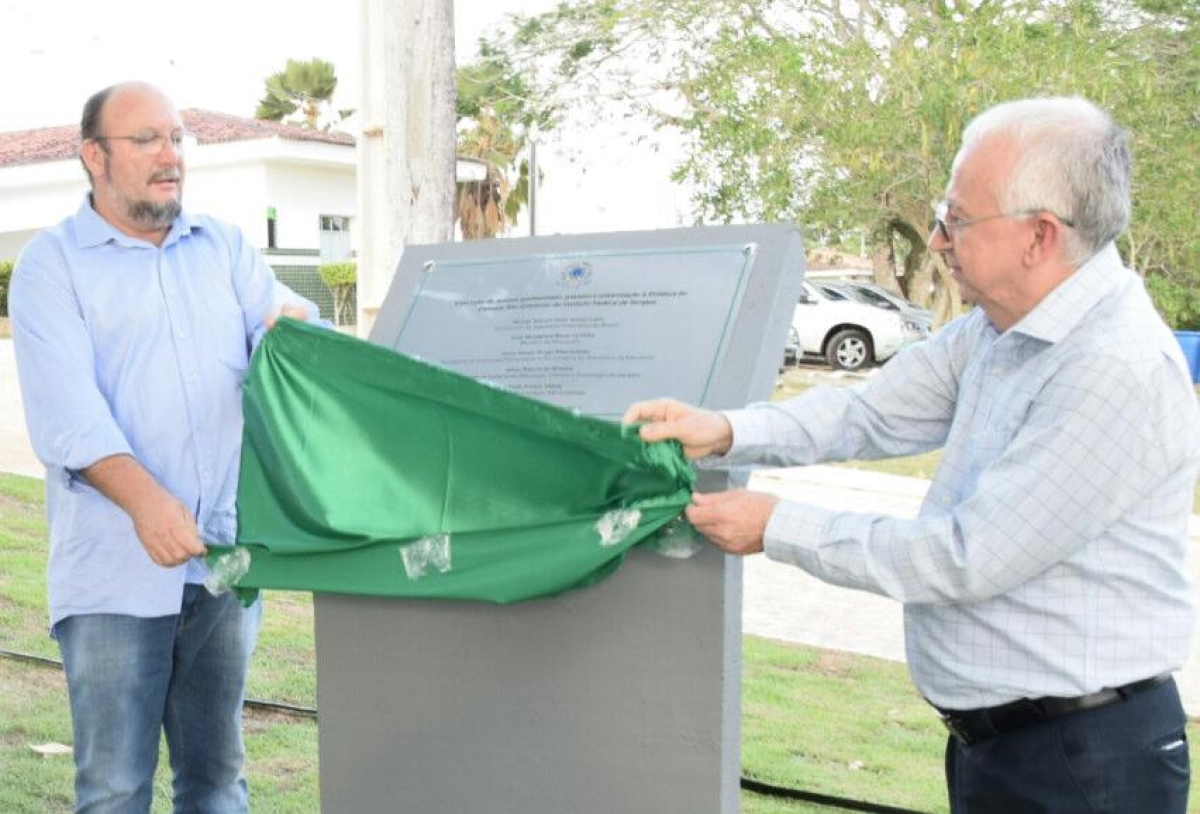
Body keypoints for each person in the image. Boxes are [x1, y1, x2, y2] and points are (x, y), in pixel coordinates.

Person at [624, 97, 1199, 813]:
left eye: (957, 219)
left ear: (1040, 235)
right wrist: (726, 430)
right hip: (1005, 744)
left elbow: (965, 557)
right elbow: (867, 412)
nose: (934, 238)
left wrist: (775, 525)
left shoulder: (1112, 367)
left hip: (1085, 763)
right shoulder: (1000, 328)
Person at [9, 82, 321, 813]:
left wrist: (299, 336)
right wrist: (148, 504)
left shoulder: (224, 247)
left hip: (220, 567)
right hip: (114, 575)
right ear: (94, 156)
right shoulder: (53, 267)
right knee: (116, 788)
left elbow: (286, 333)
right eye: (147, 139)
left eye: (177, 138)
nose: (170, 155)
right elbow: (68, 418)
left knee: (216, 783)